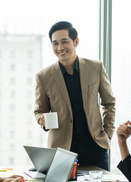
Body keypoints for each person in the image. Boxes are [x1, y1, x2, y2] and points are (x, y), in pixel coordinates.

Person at [34, 21, 115, 170]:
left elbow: (109, 102)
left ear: (76, 41)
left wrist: (107, 134)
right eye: (55, 43)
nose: (60, 48)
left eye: (64, 42)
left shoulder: (95, 67)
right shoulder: (43, 77)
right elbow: (39, 111)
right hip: (62, 149)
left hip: (95, 146)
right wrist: (42, 119)